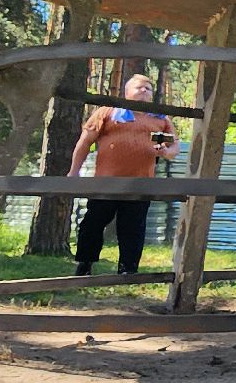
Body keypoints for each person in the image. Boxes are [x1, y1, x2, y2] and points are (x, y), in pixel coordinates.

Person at [69, 73, 178, 276]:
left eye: (149, 89)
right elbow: (85, 143)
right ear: (127, 92)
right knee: (92, 224)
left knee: (132, 229)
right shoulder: (108, 112)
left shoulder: (158, 119)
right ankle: (85, 264)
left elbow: (173, 146)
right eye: (139, 87)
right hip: (105, 184)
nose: (145, 91)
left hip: (140, 185)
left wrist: (165, 152)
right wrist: (73, 172)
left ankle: (128, 271)